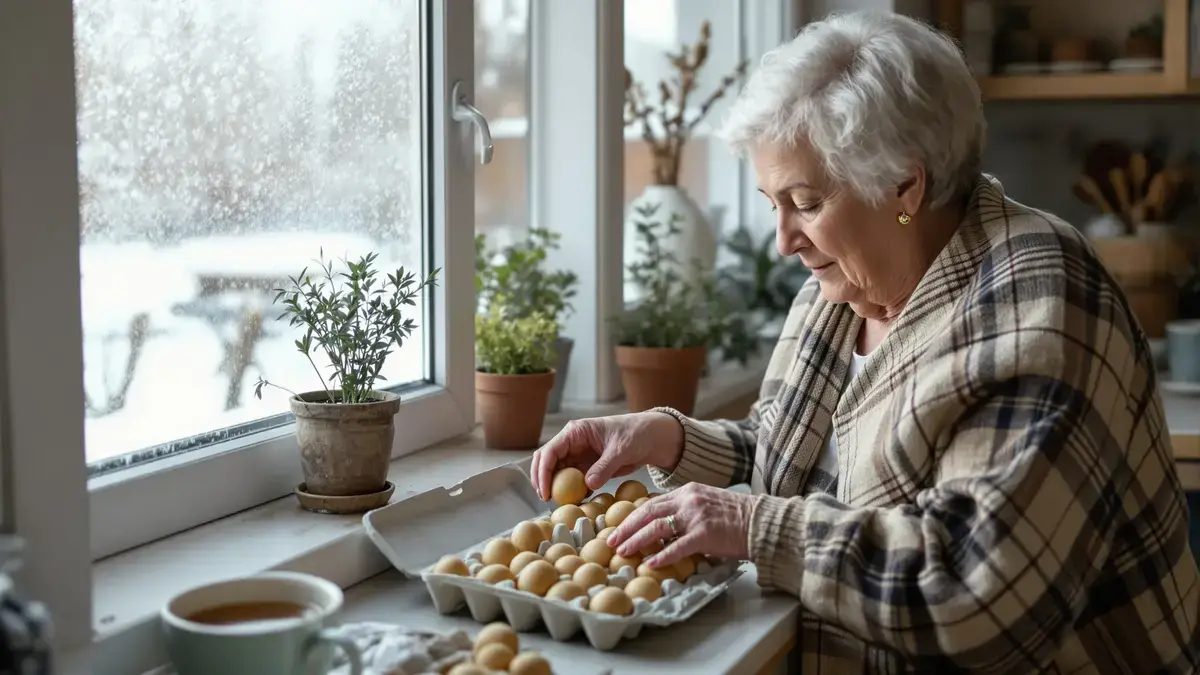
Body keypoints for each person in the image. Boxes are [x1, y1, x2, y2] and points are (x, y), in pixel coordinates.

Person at [531, 10, 1200, 673]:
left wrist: (750, 526)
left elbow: (978, 595)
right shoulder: (844, 286)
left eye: (805, 201)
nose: (783, 239)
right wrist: (667, 438)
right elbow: (796, 461)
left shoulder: (1041, 302)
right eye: (773, 203)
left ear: (905, 184)